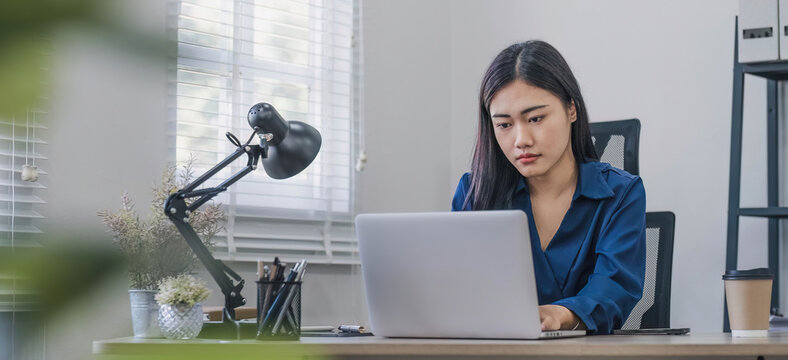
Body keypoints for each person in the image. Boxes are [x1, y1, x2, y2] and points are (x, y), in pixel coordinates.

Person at [451, 40, 646, 335]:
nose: (521, 140)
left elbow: (613, 289)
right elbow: (457, 288)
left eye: (535, 119)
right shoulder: (474, 192)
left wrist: (561, 314)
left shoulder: (620, 194)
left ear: (571, 109)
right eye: (504, 125)